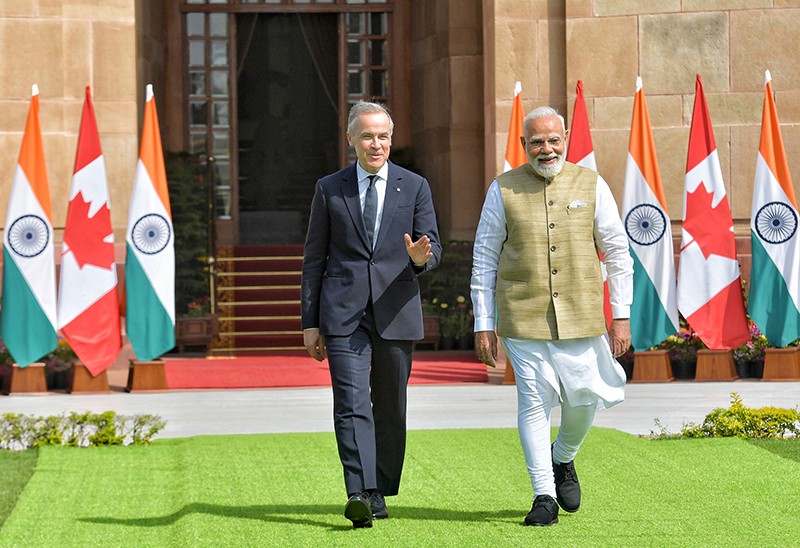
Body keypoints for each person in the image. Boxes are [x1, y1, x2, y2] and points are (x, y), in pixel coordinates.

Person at [471, 106, 633, 527]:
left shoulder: (591, 183)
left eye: (553, 140)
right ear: (524, 145)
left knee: (583, 400)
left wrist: (622, 315)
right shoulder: (502, 189)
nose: (546, 149)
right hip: (523, 317)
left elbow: (617, 251)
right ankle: (543, 494)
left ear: (566, 139)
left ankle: (564, 458)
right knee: (534, 403)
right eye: (537, 142)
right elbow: (484, 257)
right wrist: (483, 323)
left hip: (582, 315)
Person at [301, 100, 441, 529]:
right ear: (351, 140)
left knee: (390, 407)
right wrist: (310, 322)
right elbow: (314, 258)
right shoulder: (329, 188)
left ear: (391, 140)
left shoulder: (414, 185)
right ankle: (358, 492)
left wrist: (420, 257)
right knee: (350, 403)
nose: (375, 143)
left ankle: (379, 488)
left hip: (395, 312)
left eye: (382, 136)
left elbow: (433, 247)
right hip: (343, 315)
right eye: (366, 136)